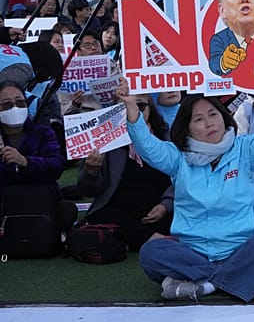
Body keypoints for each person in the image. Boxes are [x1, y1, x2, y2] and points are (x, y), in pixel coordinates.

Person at [117, 70, 254, 302]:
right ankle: (227, 281)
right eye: (198, 119)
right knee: (151, 252)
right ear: (187, 128)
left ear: (224, 117)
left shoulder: (244, 149)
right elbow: (147, 147)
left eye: (212, 114)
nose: (209, 123)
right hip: (192, 252)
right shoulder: (178, 156)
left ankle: (202, 284)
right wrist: (132, 111)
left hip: (241, 248)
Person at [78, 94, 172, 251]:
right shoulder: (103, 141)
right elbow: (88, 191)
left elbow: (181, 179)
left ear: (151, 109)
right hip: (120, 210)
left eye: (140, 105)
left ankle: (145, 239)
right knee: (102, 216)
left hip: (159, 209)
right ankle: (152, 239)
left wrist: (165, 205)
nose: (133, 110)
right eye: (124, 107)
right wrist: (91, 171)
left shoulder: (165, 138)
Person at [0, 81, 74, 238]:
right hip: (6, 203)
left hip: (41, 202)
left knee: (67, 209)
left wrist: (26, 162)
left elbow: (57, 165)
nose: (15, 108)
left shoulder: (43, 133)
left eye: (20, 102)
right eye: (7, 104)